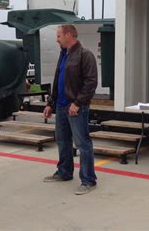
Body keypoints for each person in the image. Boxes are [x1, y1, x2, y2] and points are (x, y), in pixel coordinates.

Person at [43, 24, 98, 195]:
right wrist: (50, 103)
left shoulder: (84, 55)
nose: (57, 39)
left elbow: (91, 83)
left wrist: (78, 103)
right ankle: (64, 172)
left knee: (83, 143)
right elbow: (57, 80)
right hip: (60, 106)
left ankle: (88, 180)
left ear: (68, 35)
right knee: (62, 141)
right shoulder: (63, 54)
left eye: (59, 36)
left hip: (75, 108)